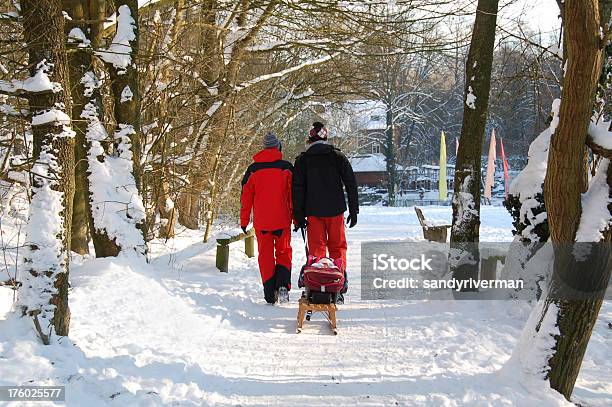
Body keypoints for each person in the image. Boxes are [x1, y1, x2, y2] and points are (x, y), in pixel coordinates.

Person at [292, 122, 358, 303]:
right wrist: (354, 210)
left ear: (310, 139)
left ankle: (318, 286)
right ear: (326, 138)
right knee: (337, 248)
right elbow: (351, 183)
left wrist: (297, 216)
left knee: (316, 251)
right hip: (336, 211)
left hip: (313, 212)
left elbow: (297, 190)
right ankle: (338, 285)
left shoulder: (303, 160)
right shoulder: (338, 157)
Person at [240, 133, 293, 304]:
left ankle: (270, 293)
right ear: (278, 147)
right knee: (284, 252)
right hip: (282, 220)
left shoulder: (253, 170)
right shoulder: (286, 168)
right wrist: (297, 218)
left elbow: (245, 198)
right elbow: (293, 195)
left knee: (265, 256)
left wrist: (244, 220)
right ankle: (283, 285)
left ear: (264, 148)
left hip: (262, 222)